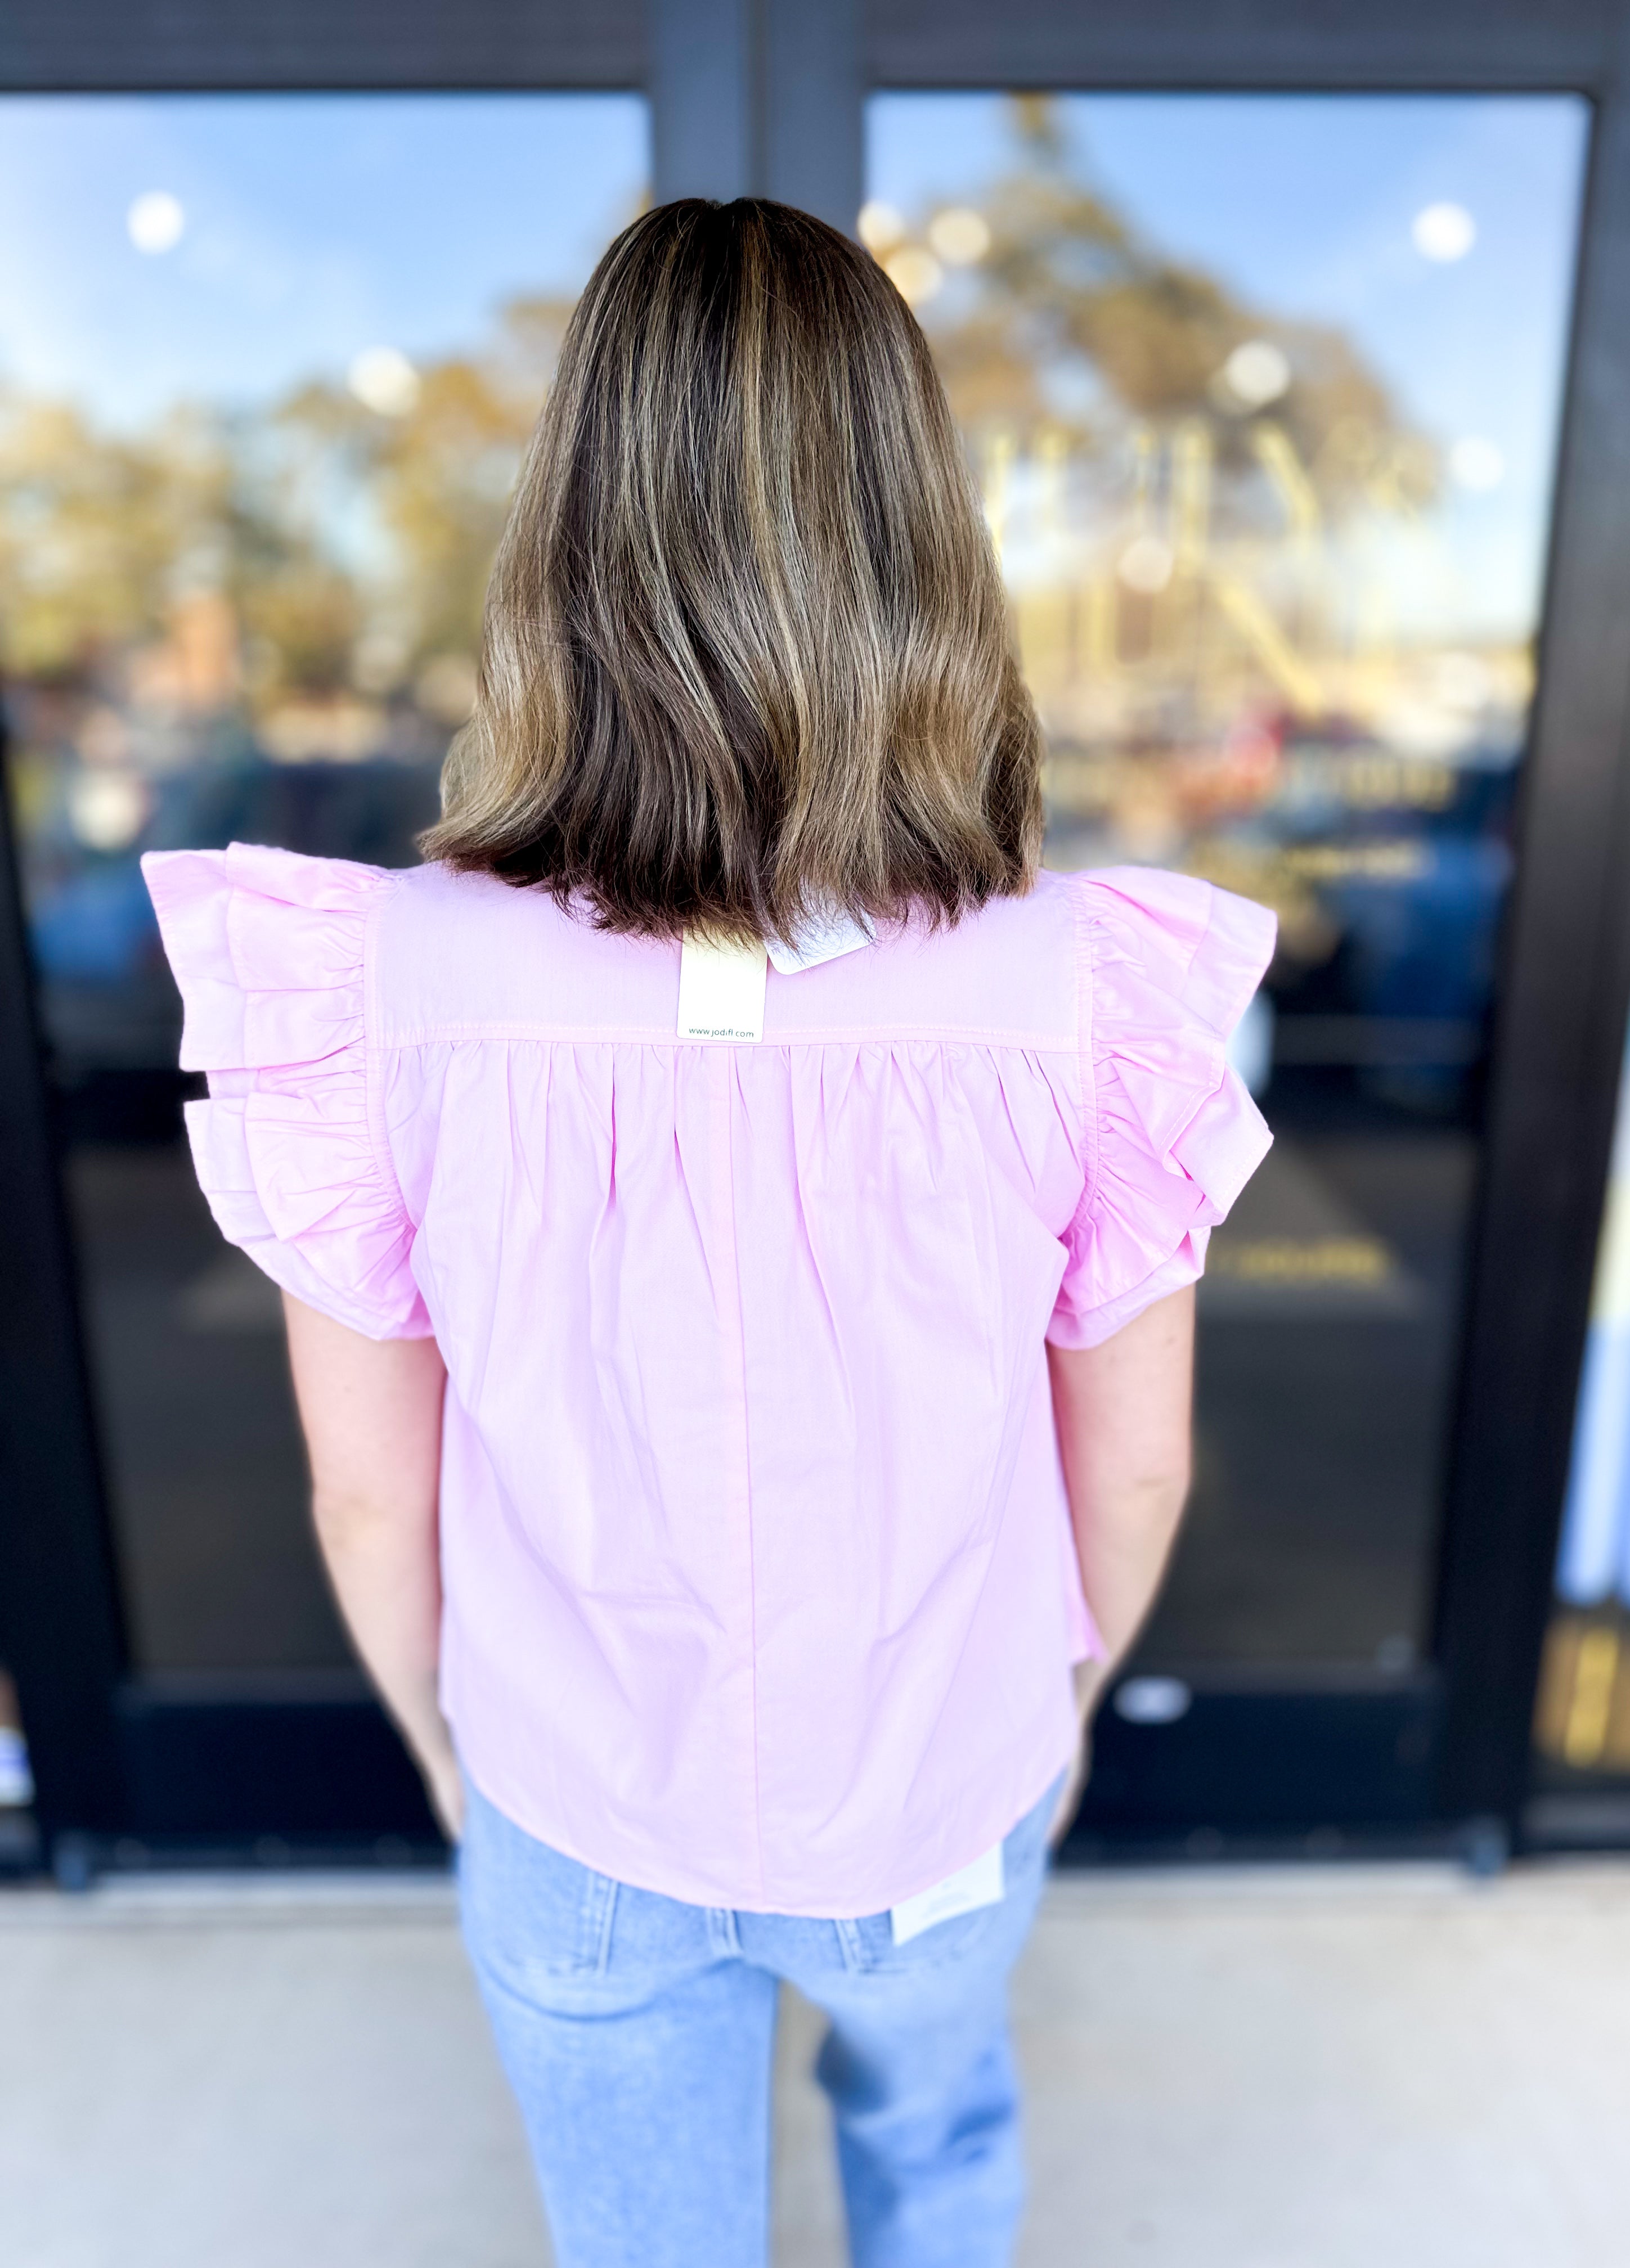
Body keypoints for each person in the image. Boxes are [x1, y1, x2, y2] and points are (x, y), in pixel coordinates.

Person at [142, 197, 1273, 2268]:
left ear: (566, 547)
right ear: (923, 547)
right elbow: (1135, 1455)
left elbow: (365, 1492)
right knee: (936, 2145)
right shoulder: (1088, 991)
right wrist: (1070, 1699)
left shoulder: (375, 978)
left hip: (575, 1803)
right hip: (949, 1778)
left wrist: (439, 1736)